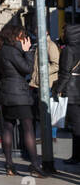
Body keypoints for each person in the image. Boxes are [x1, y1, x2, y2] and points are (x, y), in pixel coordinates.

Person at [0, 18, 42, 178]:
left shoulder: (1, 50)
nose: (24, 39)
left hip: (5, 95)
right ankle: (35, 164)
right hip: (19, 95)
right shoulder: (14, 51)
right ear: (14, 36)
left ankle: (9, 164)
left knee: (7, 128)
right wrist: (28, 51)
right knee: (28, 128)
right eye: (22, 36)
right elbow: (27, 68)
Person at [28, 29, 62, 171]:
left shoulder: (50, 45)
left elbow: (56, 64)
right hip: (39, 83)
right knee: (40, 113)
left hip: (47, 83)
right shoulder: (40, 45)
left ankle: (50, 137)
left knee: (48, 112)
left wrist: (43, 72)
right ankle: (47, 136)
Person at [56, 21, 80, 164]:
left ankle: (76, 156)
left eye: (64, 32)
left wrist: (57, 90)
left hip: (72, 92)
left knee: (76, 126)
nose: (63, 35)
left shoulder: (68, 50)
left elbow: (64, 73)